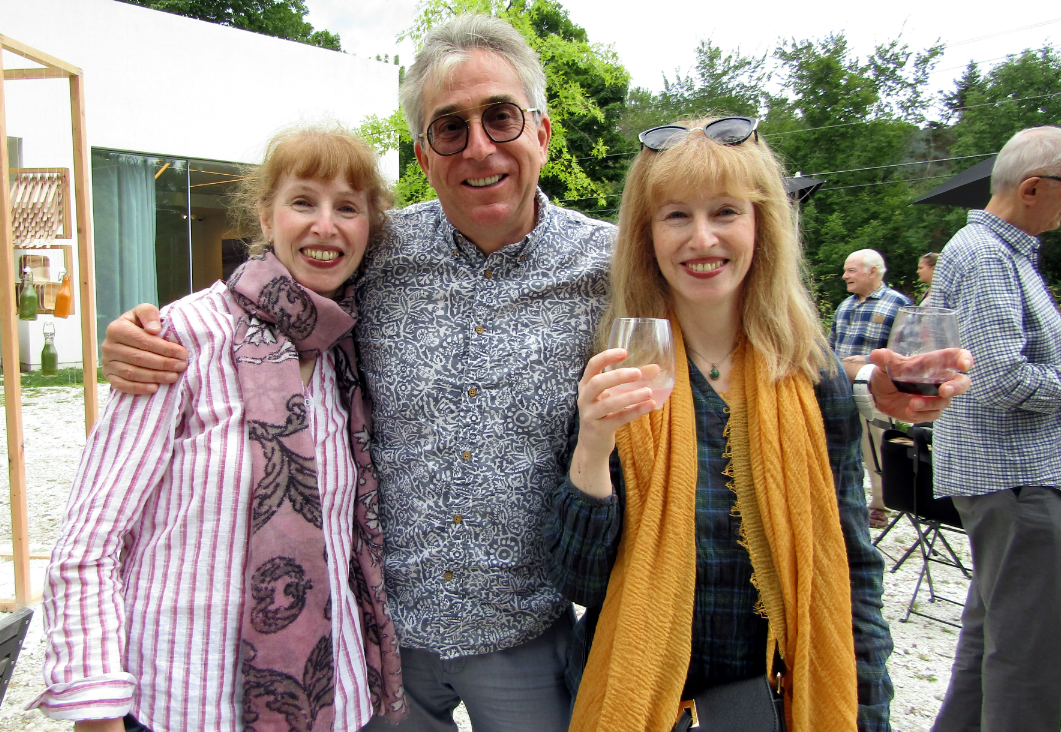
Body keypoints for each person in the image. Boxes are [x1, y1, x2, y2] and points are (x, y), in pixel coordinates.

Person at [96, 17, 971, 732]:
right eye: (450, 127)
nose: (479, 147)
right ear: (424, 151)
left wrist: (863, 385)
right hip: (381, 643)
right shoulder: (379, 253)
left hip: (530, 637)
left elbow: (739, 330)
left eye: (500, 118)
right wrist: (153, 326)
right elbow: (279, 289)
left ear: (541, 132)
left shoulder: (615, 265)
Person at [31, 126, 405, 732]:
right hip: (185, 701)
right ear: (266, 215)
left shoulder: (347, 352)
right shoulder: (180, 338)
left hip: (326, 702)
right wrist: (94, 708)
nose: (325, 226)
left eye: (348, 208)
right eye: (303, 201)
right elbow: (87, 546)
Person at [548, 117, 893, 732]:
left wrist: (867, 711)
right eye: (675, 215)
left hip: (771, 707)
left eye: (726, 211)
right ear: (646, 236)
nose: (702, 239)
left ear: (762, 224)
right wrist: (593, 448)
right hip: (636, 699)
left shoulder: (814, 376)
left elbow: (853, 571)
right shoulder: (617, 369)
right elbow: (579, 581)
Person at [929, 126, 1061, 732]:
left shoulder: (999, 252)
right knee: (1031, 657)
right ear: (1033, 187)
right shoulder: (985, 253)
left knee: (993, 642)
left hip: (1011, 476)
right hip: (1017, 475)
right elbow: (1004, 378)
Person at [829, 249, 912, 528]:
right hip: (839, 388)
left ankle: (880, 506)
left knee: (876, 446)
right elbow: (831, 345)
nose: (845, 276)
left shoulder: (898, 304)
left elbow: (906, 349)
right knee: (838, 445)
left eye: (851, 270)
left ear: (872, 271)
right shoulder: (845, 306)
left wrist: (865, 361)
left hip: (876, 389)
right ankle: (839, 503)